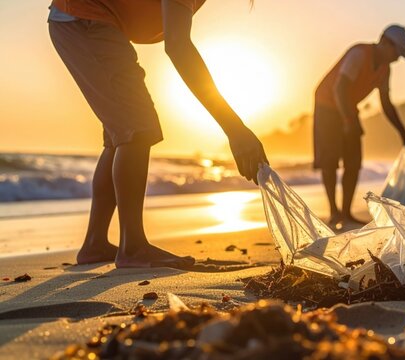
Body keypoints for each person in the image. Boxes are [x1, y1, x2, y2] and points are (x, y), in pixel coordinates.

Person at [48, 0, 268, 268]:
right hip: (83, 19)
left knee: (123, 131)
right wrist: (235, 129)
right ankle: (133, 247)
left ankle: (96, 242)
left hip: (82, 20)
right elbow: (178, 46)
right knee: (137, 127)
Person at [313, 24, 405, 229]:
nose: (397, 58)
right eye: (397, 53)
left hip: (347, 105)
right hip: (327, 103)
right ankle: (334, 214)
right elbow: (339, 88)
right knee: (330, 159)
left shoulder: (385, 70)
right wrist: (349, 120)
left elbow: (386, 103)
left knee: (353, 160)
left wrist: (403, 132)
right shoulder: (359, 54)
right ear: (385, 43)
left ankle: (346, 213)